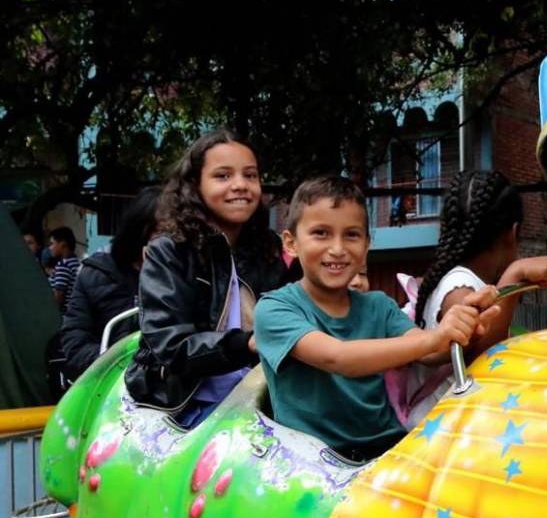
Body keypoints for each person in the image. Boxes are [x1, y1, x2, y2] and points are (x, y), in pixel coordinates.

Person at [254, 176, 497, 461]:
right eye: (321, 233)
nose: (337, 248)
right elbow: (338, 358)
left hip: (387, 450)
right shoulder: (274, 309)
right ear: (291, 243)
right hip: (313, 462)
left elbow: (430, 351)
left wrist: (462, 325)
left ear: (367, 244)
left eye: (352, 235)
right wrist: (435, 337)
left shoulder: (379, 305)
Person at [124, 128, 287, 424]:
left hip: (260, 400)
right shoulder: (170, 251)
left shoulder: (267, 249)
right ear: (195, 186)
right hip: (185, 407)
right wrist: (246, 344)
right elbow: (171, 346)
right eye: (223, 176)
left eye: (250, 175)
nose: (240, 185)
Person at [406, 170, 547, 424]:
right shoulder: (459, 288)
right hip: (441, 427)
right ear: (513, 232)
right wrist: (514, 274)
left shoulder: (456, 279)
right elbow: (484, 360)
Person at [58, 188, 159, 381]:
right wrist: (115, 364)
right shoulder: (96, 274)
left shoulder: (188, 275)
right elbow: (75, 339)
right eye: (159, 231)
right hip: (108, 384)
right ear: (139, 230)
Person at [47, 227, 81, 310]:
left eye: (52, 244)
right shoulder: (76, 262)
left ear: (63, 244)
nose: (49, 248)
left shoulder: (63, 265)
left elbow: (59, 296)